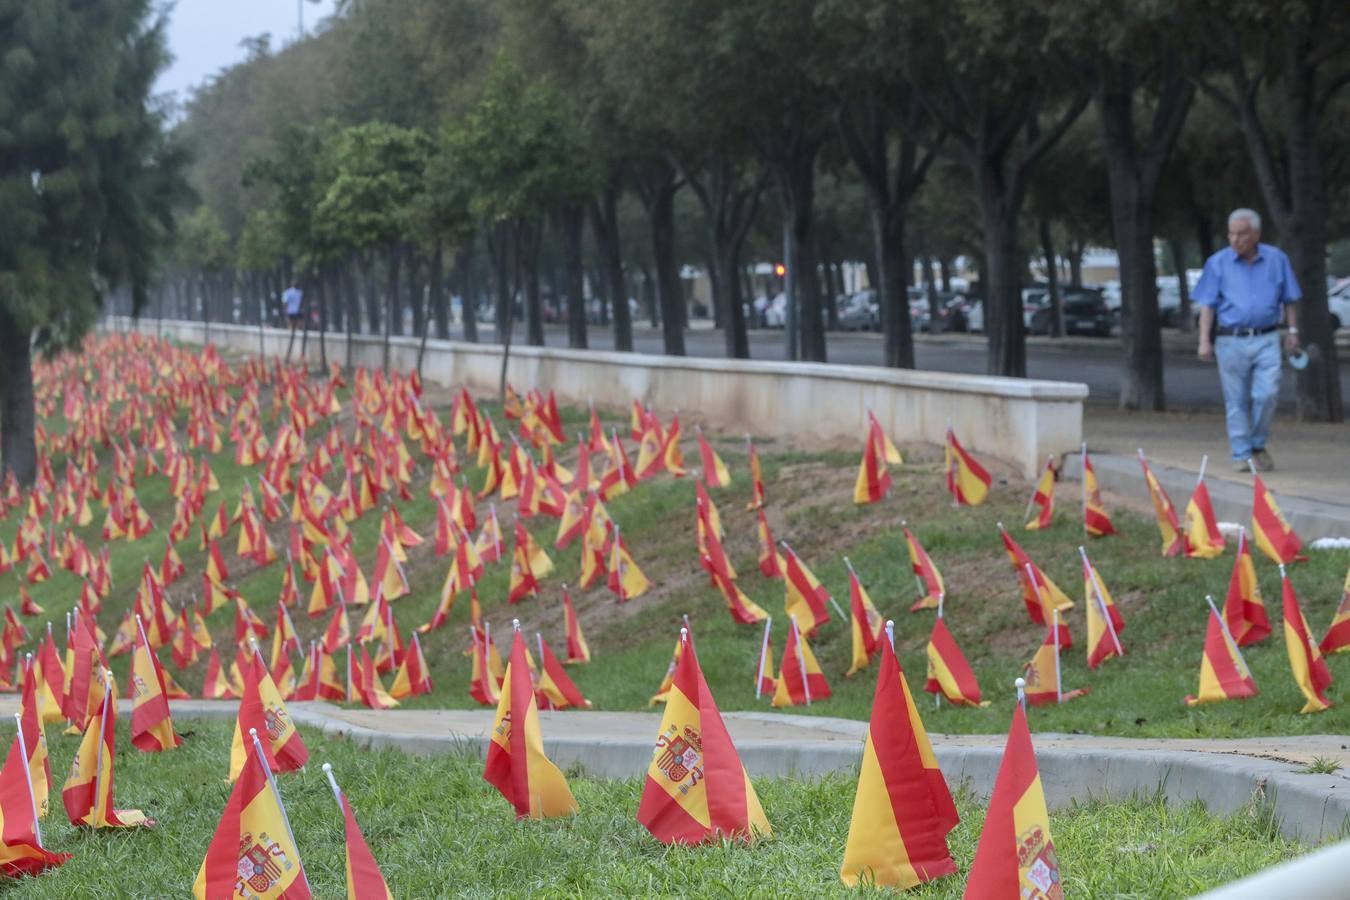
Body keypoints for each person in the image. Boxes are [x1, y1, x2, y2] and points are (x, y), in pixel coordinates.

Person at [1193, 208, 1301, 473]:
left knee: (1268, 394)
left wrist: (1293, 331)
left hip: (1267, 337)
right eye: (1231, 233)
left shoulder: (1277, 260)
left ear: (1256, 235)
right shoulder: (1217, 263)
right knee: (1236, 400)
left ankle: (1257, 443)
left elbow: (1289, 299)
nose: (1235, 239)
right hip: (1231, 340)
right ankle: (1241, 454)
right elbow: (1208, 306)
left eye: (1242, 234)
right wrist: (1203, 341)